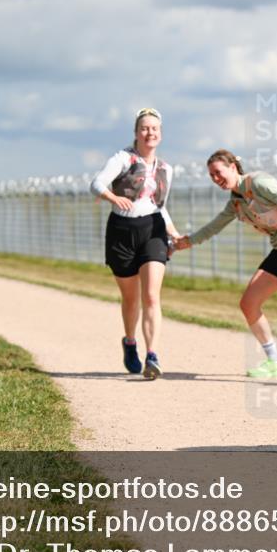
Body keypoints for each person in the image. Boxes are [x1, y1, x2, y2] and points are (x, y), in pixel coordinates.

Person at [175, 150, 277, 378]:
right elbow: (213, 227)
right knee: (248, 303)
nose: (216, 179)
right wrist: (186, 242)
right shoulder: (236, 203)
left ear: (233, 167)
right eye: (211, 176)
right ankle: (275, 361)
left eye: (218, 172)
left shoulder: (259, 183)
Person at [90, 108, 181, 380]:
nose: (149, 132)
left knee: (152, 295)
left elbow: (160, 207)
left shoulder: (166, 169)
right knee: (131, 298)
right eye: (144, 128)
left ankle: (152, 355)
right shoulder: (123, 158)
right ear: (136, 133)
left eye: (154, 128)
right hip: (122, 230)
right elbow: (96, 183)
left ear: (160, 134)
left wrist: (174, 234)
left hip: (152, 229)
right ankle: (130, 341)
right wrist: (112, 198)